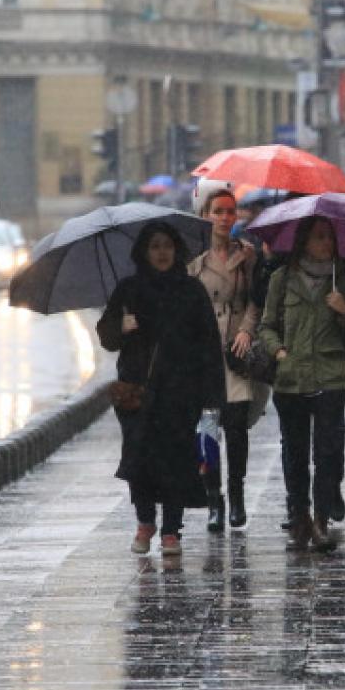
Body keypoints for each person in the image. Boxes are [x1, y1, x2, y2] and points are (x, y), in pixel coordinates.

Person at [97, 220, 225, 556]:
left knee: (175, 462)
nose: (162, 253)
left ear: (176, 250)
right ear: (144, 251)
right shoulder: (128, 290)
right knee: (138, 462)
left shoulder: (190, 290)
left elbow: (209, 346)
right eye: (155, 246)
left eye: (167, 246)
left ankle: (171, 530)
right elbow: (107, 339)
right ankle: (144, 520)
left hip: (181, 392)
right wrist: (121, 326)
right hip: (137, 394)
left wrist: (212, 400)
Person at [258, 217, 345, 550]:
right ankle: (300, 518)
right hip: (291, 378)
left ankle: (321, 520)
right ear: (303, 241)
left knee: (328, 451)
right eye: (319, 237)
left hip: (330, 375)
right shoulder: (282, 278)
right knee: (295, 451)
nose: (326, 244)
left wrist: (344, 310)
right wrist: (279, 353)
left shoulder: (344, 278)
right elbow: (267, 326)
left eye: (329, 237)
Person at [189, 179, 259, 532]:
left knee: (236, 429)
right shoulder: (193, 262)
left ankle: (238, 497)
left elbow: (255, 302)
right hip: (204, 359)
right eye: (218, 211)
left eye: (231, 211)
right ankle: (213, 499)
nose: (225, 217)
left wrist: (247, 330)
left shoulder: (246, 255)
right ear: (205, 215)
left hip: (236, 354)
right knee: (207, 431)